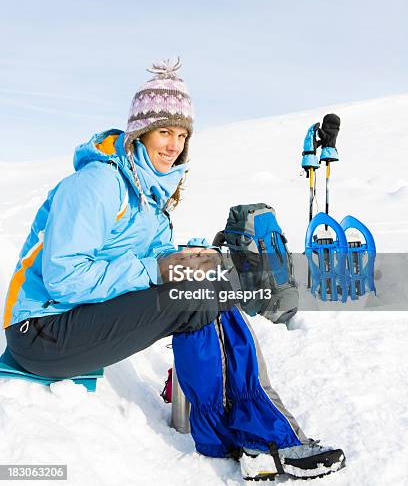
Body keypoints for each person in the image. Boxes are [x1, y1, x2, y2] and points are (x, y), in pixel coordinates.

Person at [2, 59, 345, 481]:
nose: (173, 145)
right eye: (165, 131)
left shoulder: (151, 196)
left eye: (182, 135)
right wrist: (157, 269)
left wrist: (188, 257)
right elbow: (65, 278)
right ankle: (257, 436)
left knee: (207, 284)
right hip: (41, 331)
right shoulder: (96, 185)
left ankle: (243, 432)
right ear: (139, 133)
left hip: (75, 323)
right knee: (191, 296)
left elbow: (153, 256)